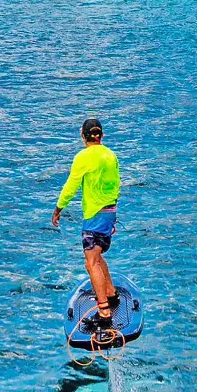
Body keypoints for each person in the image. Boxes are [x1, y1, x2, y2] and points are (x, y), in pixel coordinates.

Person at [53, 118, 120, 333]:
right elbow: (116, 183)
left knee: (90, 263)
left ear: (83, 136)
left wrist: (58, 208)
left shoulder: (83, 157)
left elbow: (72, 185)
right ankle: (111, 295)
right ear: (101, 136)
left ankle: (104, 313)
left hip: (94, 216)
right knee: (97, 256)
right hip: (109, 212)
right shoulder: (110, 155)